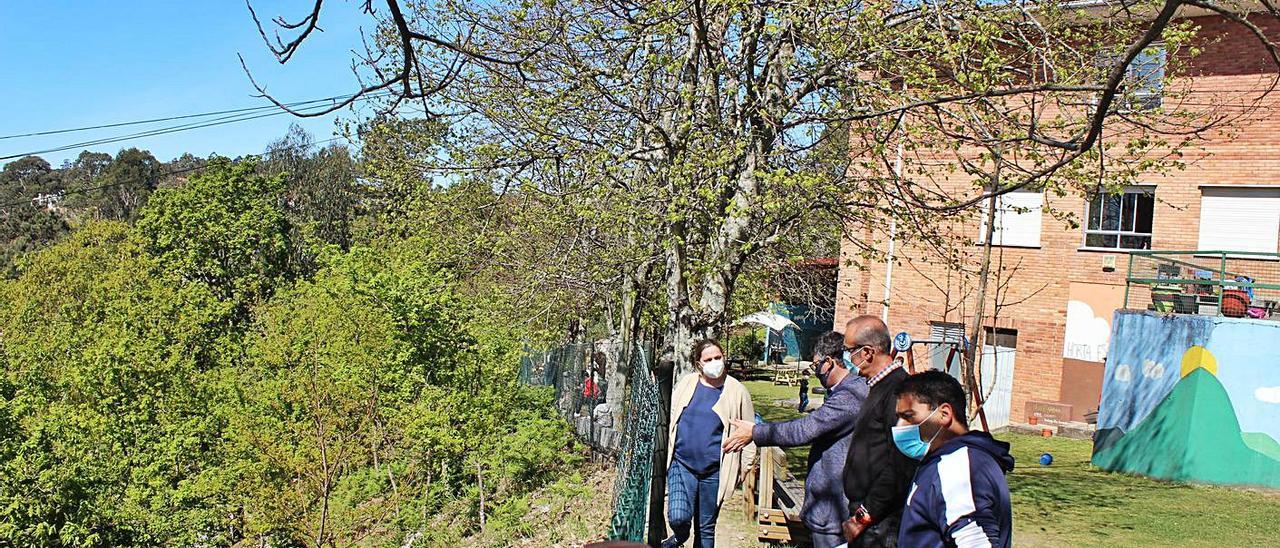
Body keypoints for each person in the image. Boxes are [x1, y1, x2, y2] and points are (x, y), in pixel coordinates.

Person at [722, 331, 870, 548]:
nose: (816, 372)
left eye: (816, 365)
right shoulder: (850, 390)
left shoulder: (849, 396)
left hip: (833, 511)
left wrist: (756, 432)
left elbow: (805, 429)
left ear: (829, 362)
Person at [893, 370, 1014, 548]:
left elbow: (976, 543)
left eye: (908, 417)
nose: (899, 427)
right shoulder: (947, 459)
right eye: (899, 418)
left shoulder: (957, 467)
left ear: (944, 414)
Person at [664, 339, 757, 548]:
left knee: (706, 529)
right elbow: (671, 417)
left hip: (715, 471)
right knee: (678, 517)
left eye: (718, 357)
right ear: (699, 364)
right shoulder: (687, 384)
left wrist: (746, 466)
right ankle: (679, 536)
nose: (715, 362)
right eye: (709, 359)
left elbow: (750, 431)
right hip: (682, 463)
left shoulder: (737, 391)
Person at [840, 315, 917, 547]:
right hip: (866, 515)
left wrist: (864, 516)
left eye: (848, 350)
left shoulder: (897, 392)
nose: (845, 358)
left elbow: (902, 463)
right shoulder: (878, 386)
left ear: (867, 353)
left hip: (879, 524)